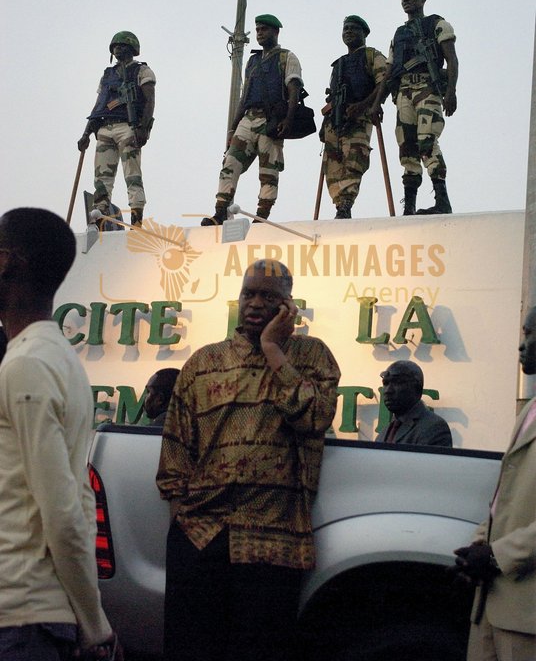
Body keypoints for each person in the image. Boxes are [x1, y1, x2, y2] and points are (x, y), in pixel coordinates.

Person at [156, 259, 340, 661]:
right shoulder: (204, 363)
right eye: (249, 294)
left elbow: (314, 417)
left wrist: (273, 349)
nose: (256, 304)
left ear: (289, 305)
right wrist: (181, 521)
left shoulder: (312, 357)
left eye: (269, 297)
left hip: (272, 543)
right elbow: (175, 448)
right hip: (200, 537)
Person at [0, 208, 122, 660]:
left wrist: (96, 627)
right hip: (36, 619)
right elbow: (78, 503)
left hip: (19, 619)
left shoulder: (27, 364)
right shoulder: (62, 362)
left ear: (7, 262)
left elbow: (63, 513)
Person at [453, 306, 536, 660]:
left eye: (531, 334)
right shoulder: (529, 410)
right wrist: (477, 548)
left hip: (527, 615)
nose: (522, 344)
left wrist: (496, 555)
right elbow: (504, 498)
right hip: (491, 603)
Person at [201, 15, 303, 225]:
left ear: (276, 32)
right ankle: (220, 211)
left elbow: (294, 90)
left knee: (268, 170)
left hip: (271, 120)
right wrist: (232, 128)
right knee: (230, 162)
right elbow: (244, 96)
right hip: (248, 118)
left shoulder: (287, 57)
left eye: (264, 29)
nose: (260, 33)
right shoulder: (253, 61)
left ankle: (262, 216)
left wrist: (288, 120)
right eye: (257, 30)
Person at [373, 0, 458, 215]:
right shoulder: (399, 34)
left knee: (427, 140)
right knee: (406, 147)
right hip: (404, 92)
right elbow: (390, 70)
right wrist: (376, 103)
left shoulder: (437, 24)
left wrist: (451, 91)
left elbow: (451, 59)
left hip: (427, 88)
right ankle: (408, 206)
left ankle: (442, 201)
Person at [77, 31, 156, 227]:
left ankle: (136, 217)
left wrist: (143, 128)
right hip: (105, 127)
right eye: (115, 46)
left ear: (131, 49)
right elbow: (99, 104)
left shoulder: (142, 71)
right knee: (102, 177)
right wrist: (86, 132)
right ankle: (101, 215)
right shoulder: (107, 75)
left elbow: (149, 100)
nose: (117, 49)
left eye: (121, 46)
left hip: (128, 127)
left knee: (132, 175)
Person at [321, 15, 387, 219]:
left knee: (354, 160)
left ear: (364, 33)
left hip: (359, 117)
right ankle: (338, 204)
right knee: (332, 165)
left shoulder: (371, 55)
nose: (348, 31)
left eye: (353, 28)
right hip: (336, 119)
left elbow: (384, 82)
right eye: (345, 28)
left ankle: (346, 205)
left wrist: (365, 105)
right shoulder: (338, 64)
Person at [375, 359, 452, 446]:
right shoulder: (383, 435)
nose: (387, 391)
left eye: (397, 382)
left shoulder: (434, 427)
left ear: (416, 387)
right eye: (385, 383)